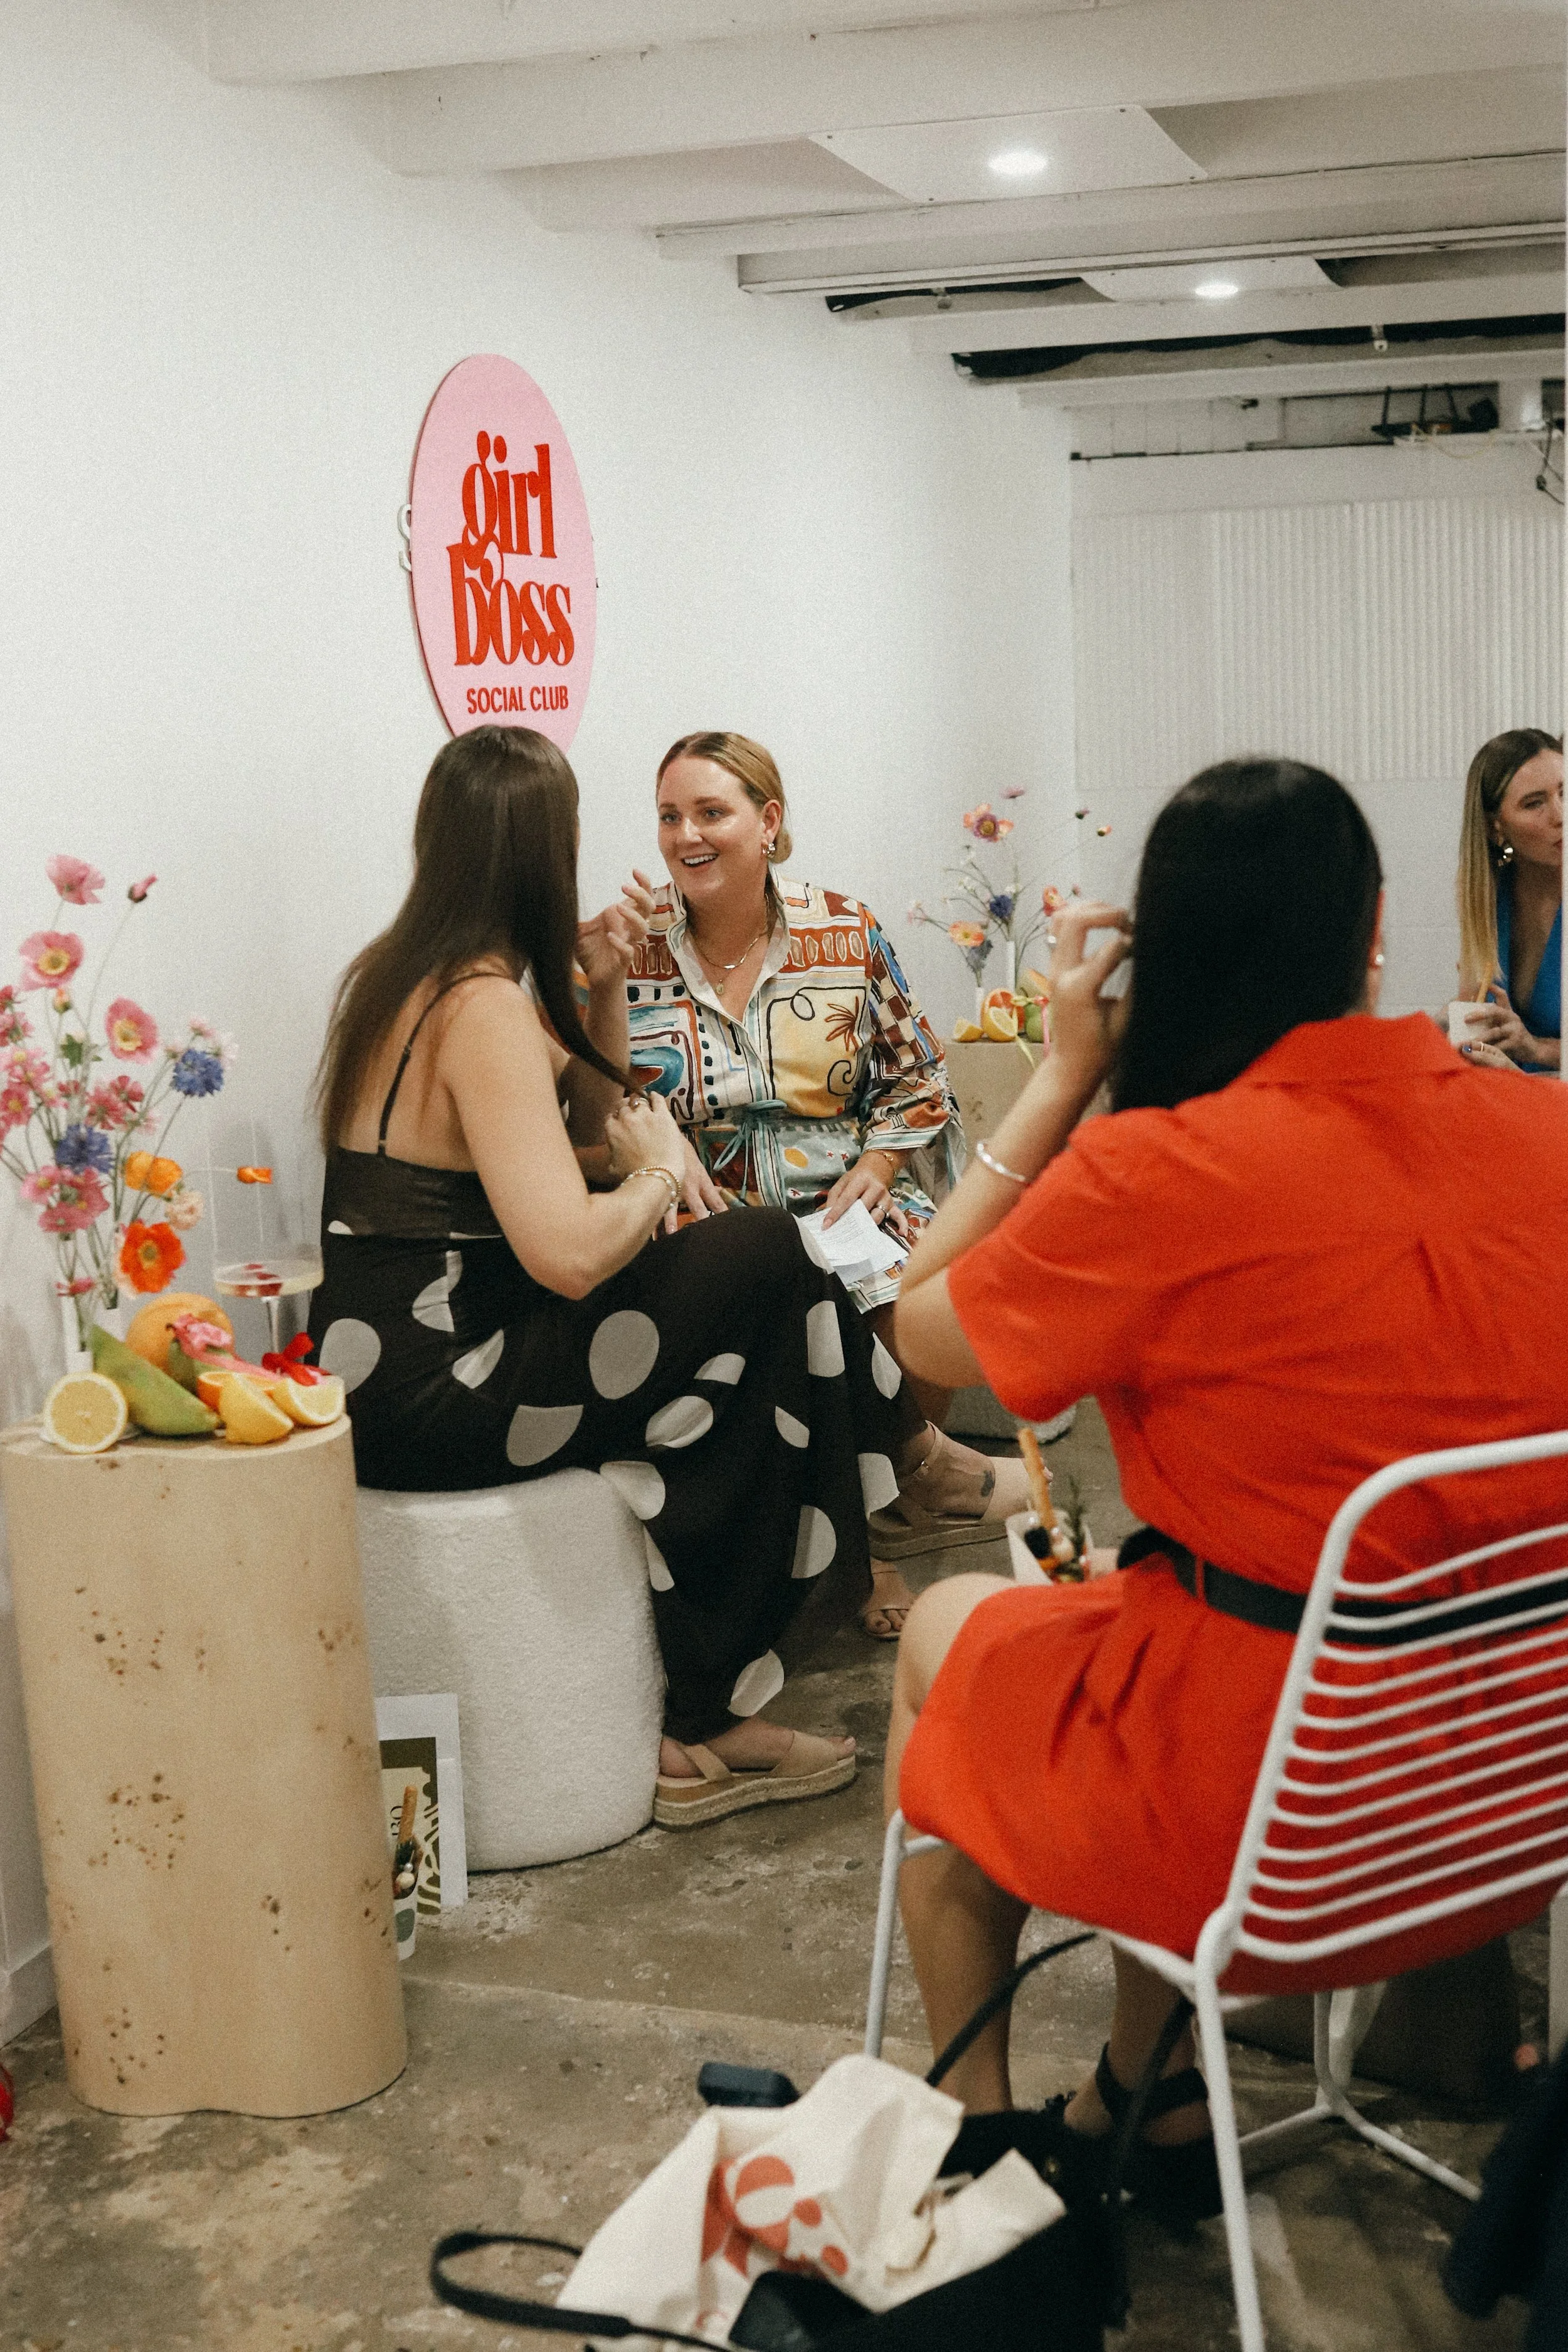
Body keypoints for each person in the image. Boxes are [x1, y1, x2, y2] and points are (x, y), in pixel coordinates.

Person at [882, 757, 1568, 2221]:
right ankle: (1151, 2092)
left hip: (1272, 1828)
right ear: (1375, 928)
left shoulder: (1153, 1174)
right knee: (1162, 1619)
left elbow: (920, 1334)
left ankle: (972, 2136)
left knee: (962, 1622)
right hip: (1513, 1801)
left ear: (1160, 954)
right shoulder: (1549, 1133)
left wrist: (1063, 1072)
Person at [308, 726, 930, 1828]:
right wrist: (653, 1181)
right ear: (542, 853)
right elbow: (571, 1243)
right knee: (766, 1260)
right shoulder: (481, 1007)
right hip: (446, 1387)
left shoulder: (406, 975)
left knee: (753, 1302)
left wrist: (597, 997)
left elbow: (577, 1140)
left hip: (399, 1365)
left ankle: (737, 1680)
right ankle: (726, 1693)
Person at [620, 730, 1029, 1640]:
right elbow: (599, 1097)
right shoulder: (632, 953)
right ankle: (863, 1539)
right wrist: (659, 1153)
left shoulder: (843, 928)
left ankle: (886, 1506)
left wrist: (880, 1165)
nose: (687, 834)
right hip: (709, 1212)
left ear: (768, 823)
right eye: (669, 815)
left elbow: (920, 1072)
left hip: (842, 1193)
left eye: (711, 812)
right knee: (772, 1308)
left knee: (904, 1296)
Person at [1454, 728, 1562, 1073]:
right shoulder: (1488, 896)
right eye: (1535, 803)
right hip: (1517, 1104)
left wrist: (1537, 1050)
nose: (1560, 815)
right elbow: (1472, 1017)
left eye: (1565, 792)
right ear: (1495, 828)